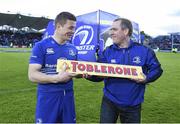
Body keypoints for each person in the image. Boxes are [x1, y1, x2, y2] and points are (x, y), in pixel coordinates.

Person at [87, 18, 163, 123]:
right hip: (109, 102)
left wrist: (146, 78)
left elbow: (157, 70)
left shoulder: (144, 51)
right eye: (111, 30)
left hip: (133, 104)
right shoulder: (107, 52)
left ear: (125, 31)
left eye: (114, 29)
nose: (111, 33)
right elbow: (99, 76)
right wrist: (89, 76)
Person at [28, 12, 77, 123]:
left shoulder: (73, 49)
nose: (73, 32)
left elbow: (73, 72)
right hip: (48, 97)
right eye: (70, 28)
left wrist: (80, 73)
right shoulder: (41, 46)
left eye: (74, 28)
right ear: (59, 26)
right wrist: (57, 78)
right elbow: (32, 75)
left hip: (68, 96)